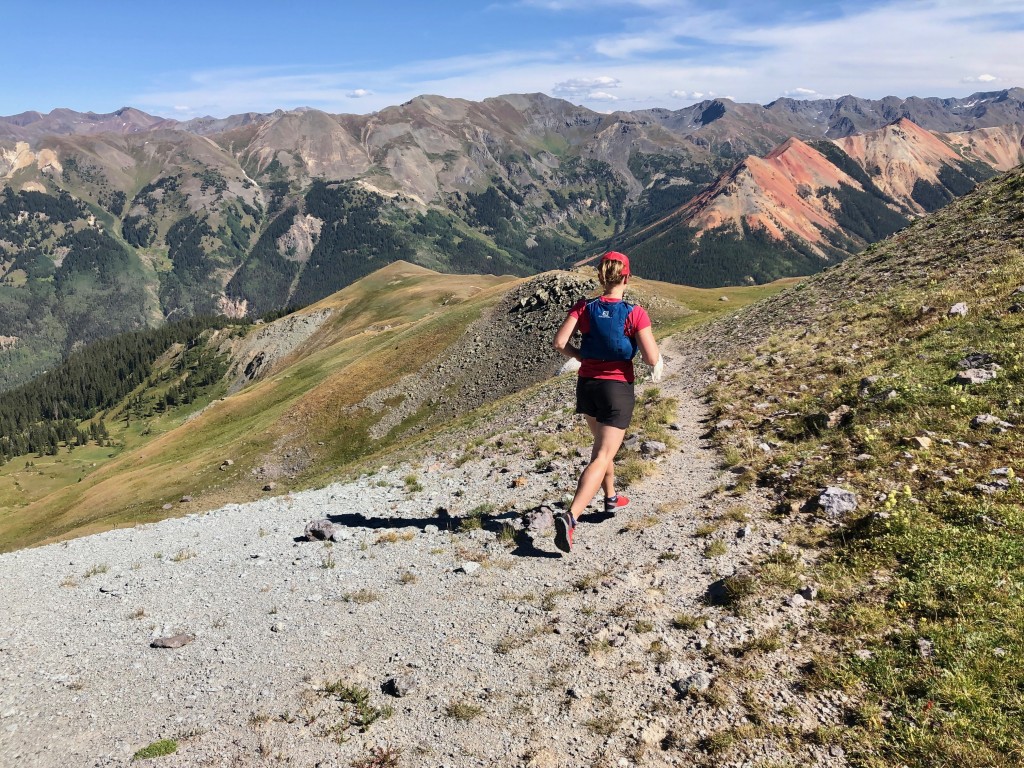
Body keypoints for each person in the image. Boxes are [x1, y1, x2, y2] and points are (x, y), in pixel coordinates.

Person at [551, 251, 663, 553]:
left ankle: (611, 498)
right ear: (626, 277)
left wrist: (580, 356)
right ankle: (571, 517)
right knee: (602, 455)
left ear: (601, 276)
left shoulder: (584, 307)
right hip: (617, 389)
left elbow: (559, 343)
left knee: (602, 448)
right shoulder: (635, 312)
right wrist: (655, 360)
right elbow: (651, 357)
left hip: (587, 386)